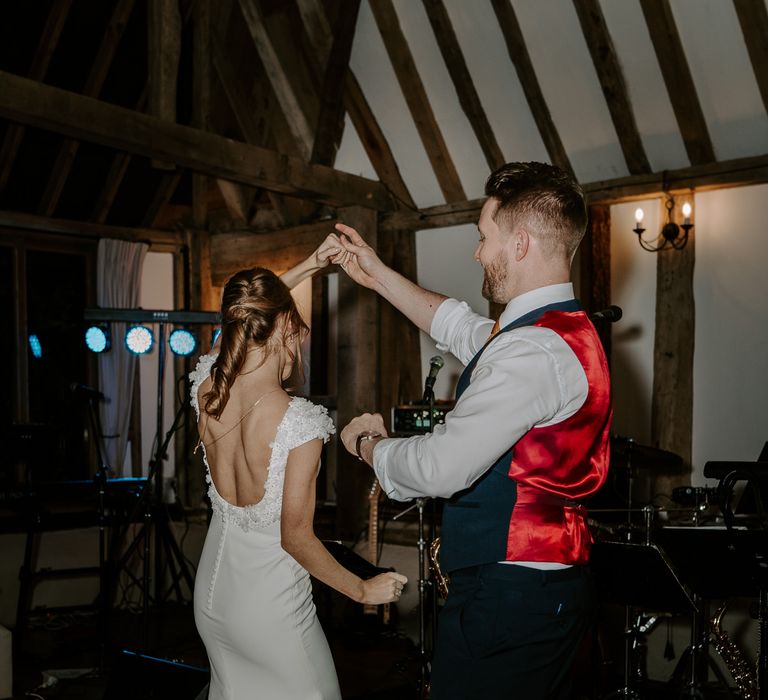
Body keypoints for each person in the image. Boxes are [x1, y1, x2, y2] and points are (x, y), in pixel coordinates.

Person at [334, 162, 612, 700]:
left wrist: (370, 445)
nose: (478, 253)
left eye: (485, 238)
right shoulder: (557, 332)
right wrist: (376, 274)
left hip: (510, 596)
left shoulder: (530, 351)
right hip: (539, 589)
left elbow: (442, 467)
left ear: (522, 243)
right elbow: (461, 328)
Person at [191, 239, 407, 700]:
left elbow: (238, 324)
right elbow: (295, 537)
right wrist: (362, 591)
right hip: (269, 612)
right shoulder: (299, 422)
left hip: (213, 598)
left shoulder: (207, 387)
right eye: (298, 329)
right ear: (286, 325)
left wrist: (307, 266)